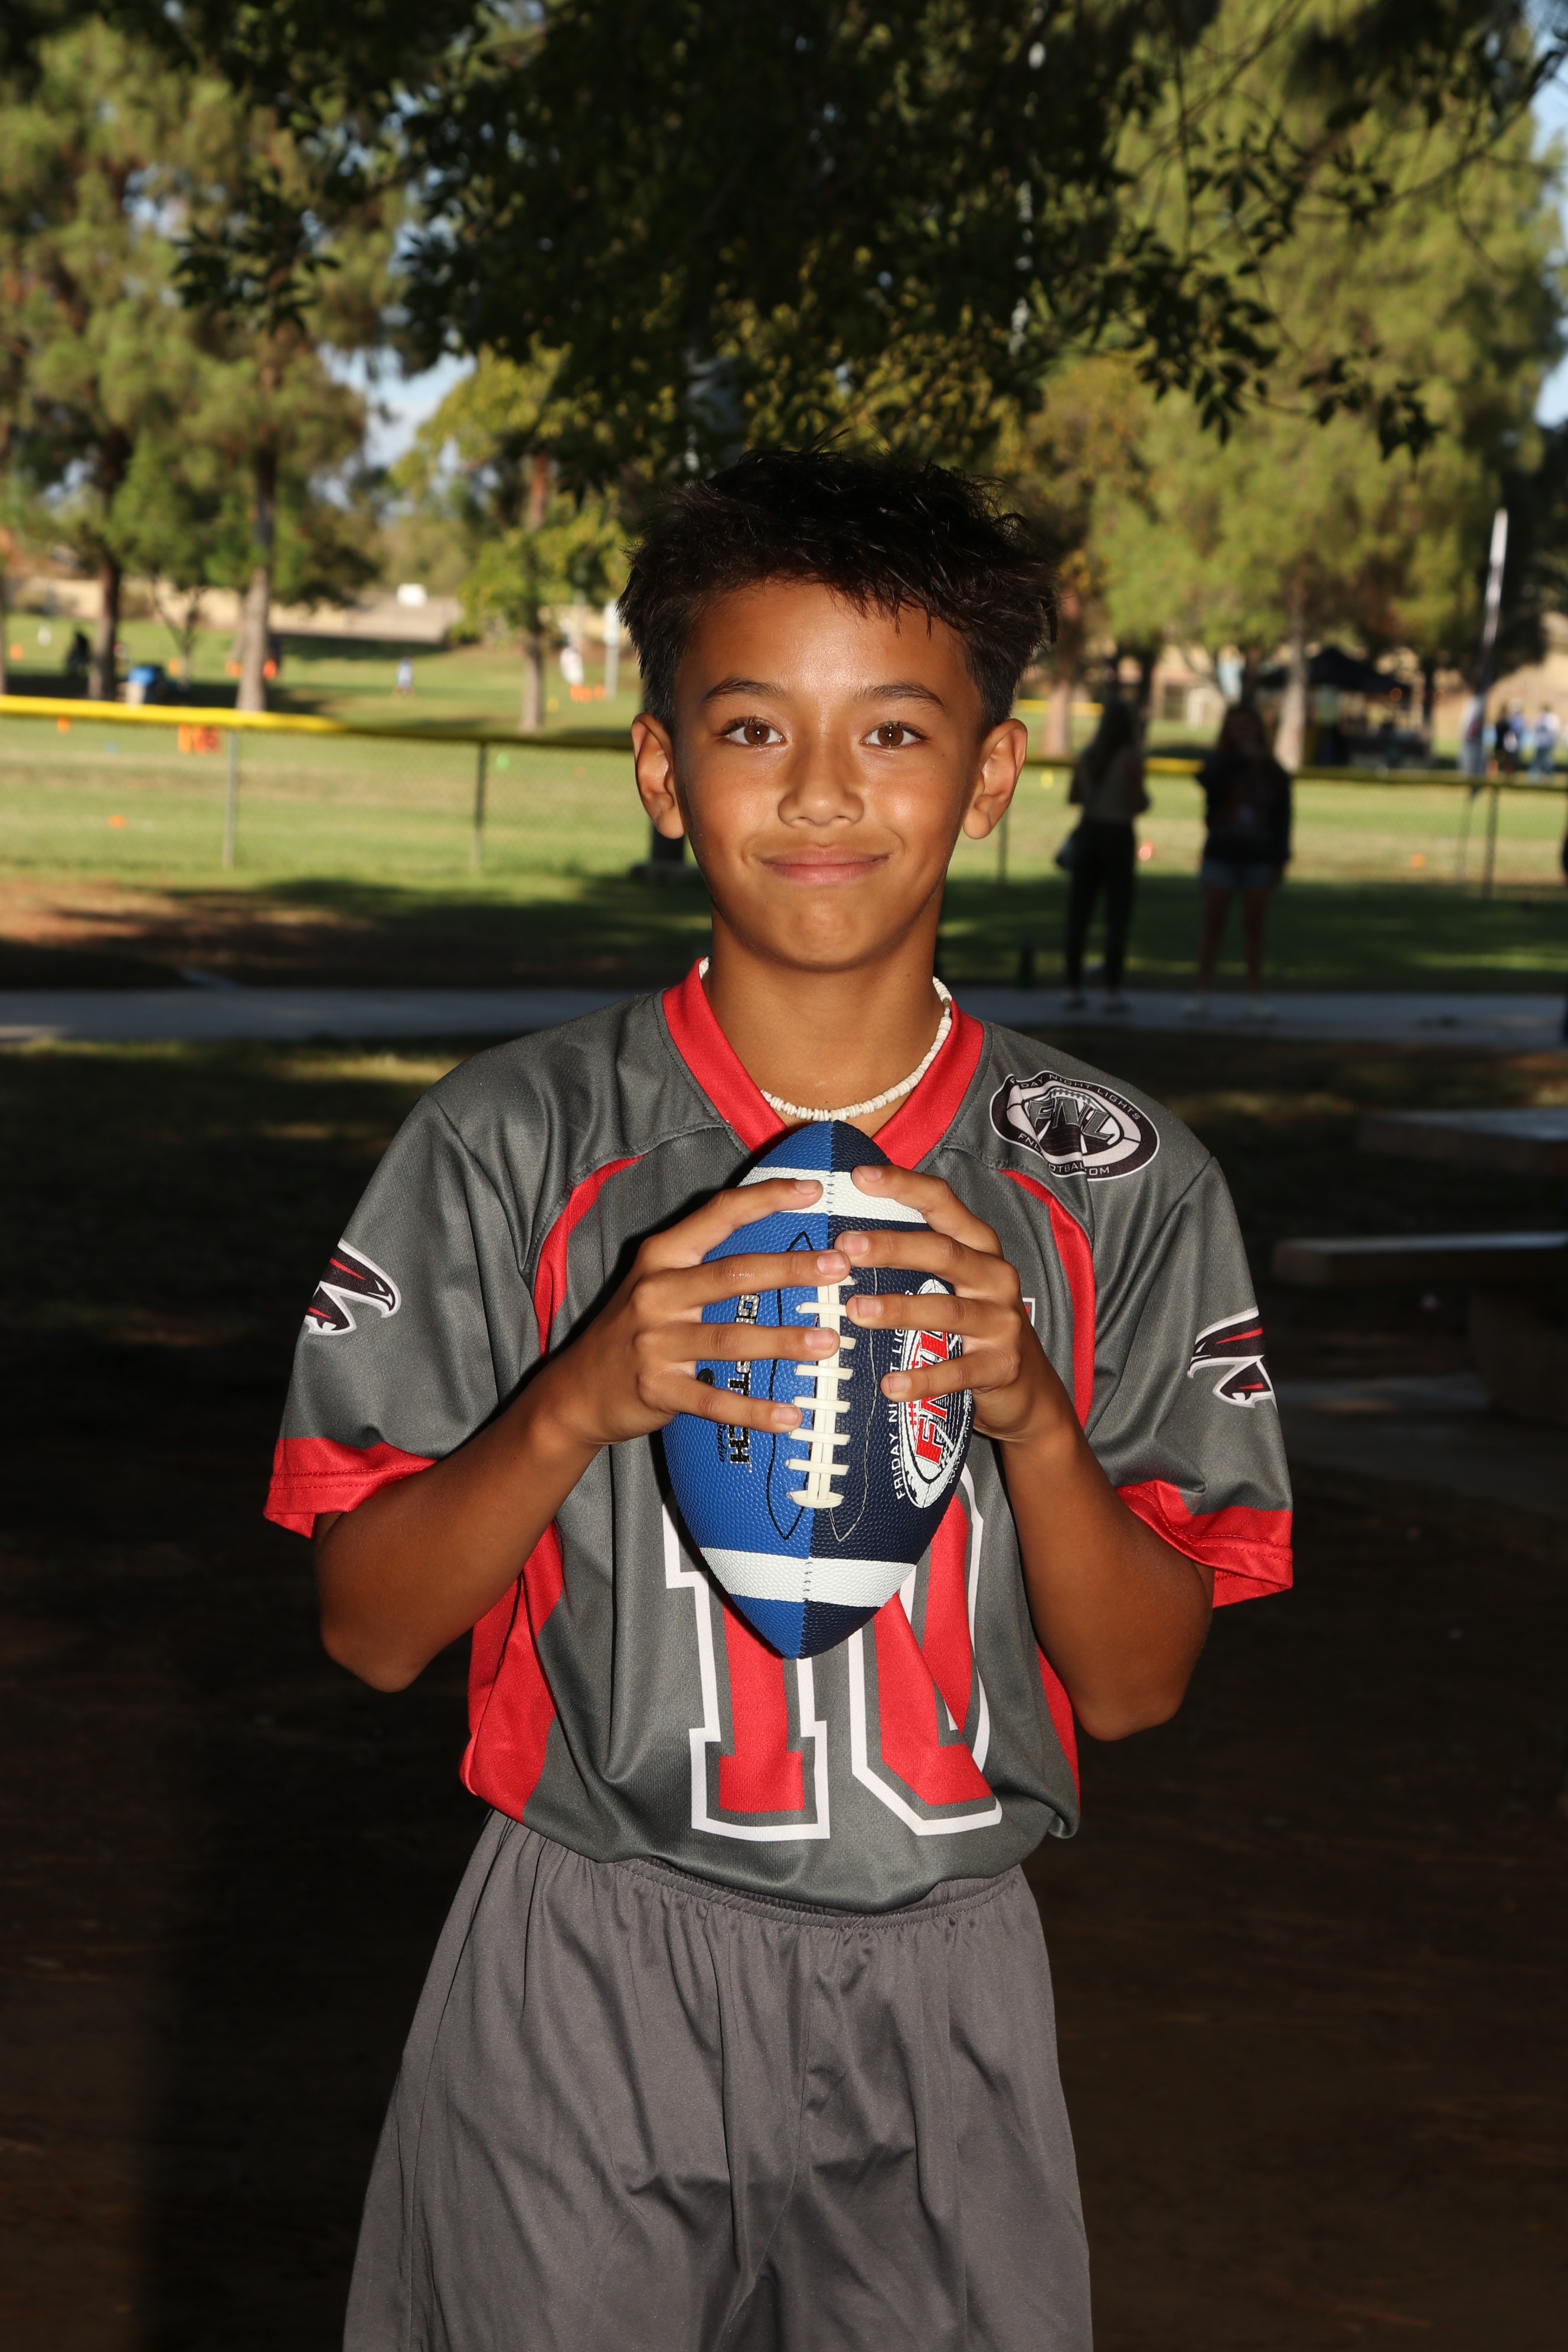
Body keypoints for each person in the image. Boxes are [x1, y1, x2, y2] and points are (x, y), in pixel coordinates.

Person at [266, 450, 1292, 2352]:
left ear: (992, 773)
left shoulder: (1118, 1180)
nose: (822, 790)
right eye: (753, 727)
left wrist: (1032, 1419)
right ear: (663, 770)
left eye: (894, 730)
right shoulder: (511, 1143)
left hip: (948, 1978)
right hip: (586, 1958)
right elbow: (369, 1628)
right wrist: (578, 1399)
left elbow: (1141, 1683)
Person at [1187, 703, 1293, 1020]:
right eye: (1236, 727)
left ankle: (1254, 996)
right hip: (1222, 853)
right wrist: (1239, 760)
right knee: (1212, 926)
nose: (1242, 733)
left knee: (1255, 929)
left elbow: (1283, 817)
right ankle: (1201, 993)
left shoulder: (1272, 769)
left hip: (1258, 856)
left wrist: (1281, 859)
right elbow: (1207, 782)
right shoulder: (1220, 762)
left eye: (1247, 726)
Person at [1061, 697, 1149, 1014]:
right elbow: (1137, 804)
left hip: (1089, 833)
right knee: (1117, 916)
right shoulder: (1130, 758)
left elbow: (1074, 796)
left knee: (1079, 913)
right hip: (1118, 836)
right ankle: (1112, 991)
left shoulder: (1088, 755)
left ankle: (1072, 988)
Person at [1533, 705, 1560, 778]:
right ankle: (1548, 777)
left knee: (1540, 761)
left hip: (1541, 743)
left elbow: (1535, 730)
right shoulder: (1553, 718)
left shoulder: (1540, 717)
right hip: (1547, 743)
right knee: (1547, 761)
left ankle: (1535, 778)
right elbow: (1556, 731)